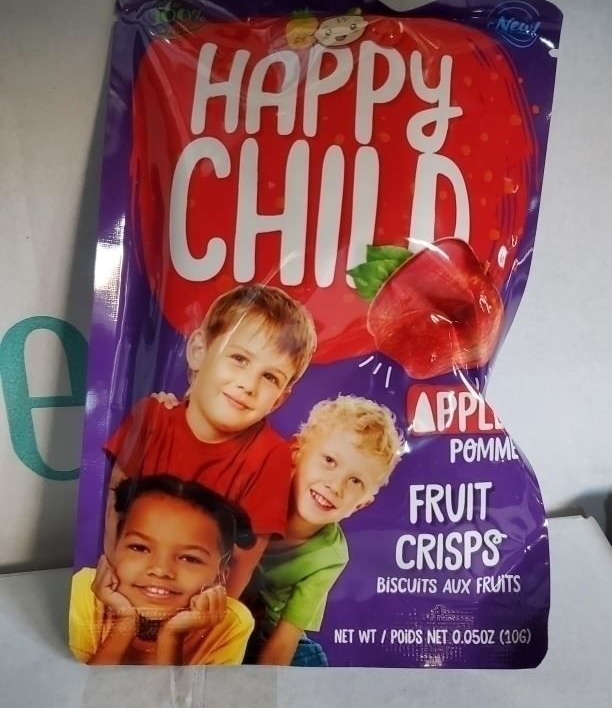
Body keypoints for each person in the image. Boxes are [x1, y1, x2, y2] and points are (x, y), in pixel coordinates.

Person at [103, 284, 317, 597]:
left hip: (203, 605)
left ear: (279, 399)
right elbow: (114, 509)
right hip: (125, 586)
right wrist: (117, 584)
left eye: (270, 377)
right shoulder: (150, 419)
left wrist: (210, 616)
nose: (248, 384)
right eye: (239, 358)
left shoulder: (272, 456)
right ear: (199, 351)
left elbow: (242, 564)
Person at [248, 395, 402, 666]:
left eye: (355, 481)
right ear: (296, 452)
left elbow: (287, 635)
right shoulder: (258, 481)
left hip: (267, 631)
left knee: (312, 659)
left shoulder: (330, 555)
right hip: (220, 606)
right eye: (329, 460)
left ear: (361, 504)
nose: (335, 486)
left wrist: (258, 686)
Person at [70, 475, 256, 665]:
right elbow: (82, 683)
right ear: (114, 550)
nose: (160, 570)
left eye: (189, 558)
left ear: (220, 577)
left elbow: (174, 687)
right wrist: (125, 624)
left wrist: (172, 636)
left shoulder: (230, 622)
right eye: (140, 548)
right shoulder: (86, 591)